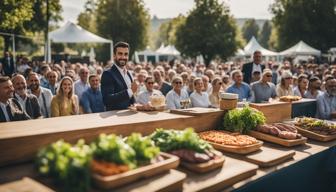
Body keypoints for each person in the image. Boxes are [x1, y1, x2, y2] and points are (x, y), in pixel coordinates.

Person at [101, 42, 138, 110]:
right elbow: (107, 99)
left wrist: (137, 105)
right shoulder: (108, 74)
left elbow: (131, 98)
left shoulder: (129, 73)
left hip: (130, 116)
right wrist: (130, 91)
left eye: (126, 54)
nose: (123, 57)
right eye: (120, 54)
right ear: (114, 55)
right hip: (115, 118)